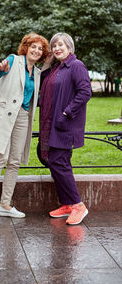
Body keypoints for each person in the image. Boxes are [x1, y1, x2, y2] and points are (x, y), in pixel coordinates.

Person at [0, 33, 49, 222]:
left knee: (15, 161)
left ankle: (5, 205)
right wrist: (0, 69)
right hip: (5, 114)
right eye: (33, 46)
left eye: (40, 49)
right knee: (0, 156)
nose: (36, 50)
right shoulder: (13, 60)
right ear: (26, 48)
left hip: (23, 116)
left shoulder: (36, 72)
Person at [39, 32, 91, 225]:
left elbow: (85, 92)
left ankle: (78, 205)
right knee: (57, 164)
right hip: (53, 124)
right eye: (54, 46)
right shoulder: (57, 68)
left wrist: (67, 113)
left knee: (59, 164)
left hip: (65, 124)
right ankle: (68, 204)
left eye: (61, 45)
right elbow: (44, 84)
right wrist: (48, 63)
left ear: (69, 46)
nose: (57, 48)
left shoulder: (76, 66)